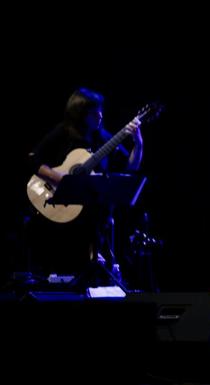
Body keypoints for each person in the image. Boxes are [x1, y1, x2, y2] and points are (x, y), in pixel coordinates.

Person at [25, 87, 143, 284]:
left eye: (101, 110)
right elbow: (33, 160)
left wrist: (138, 144)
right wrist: (58, 178)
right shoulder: (63, 132)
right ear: (80, 113)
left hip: (93, 216)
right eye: (94, 111)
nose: (101, 115)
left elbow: (130, 167)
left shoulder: (104, 137)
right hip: (60, 208)